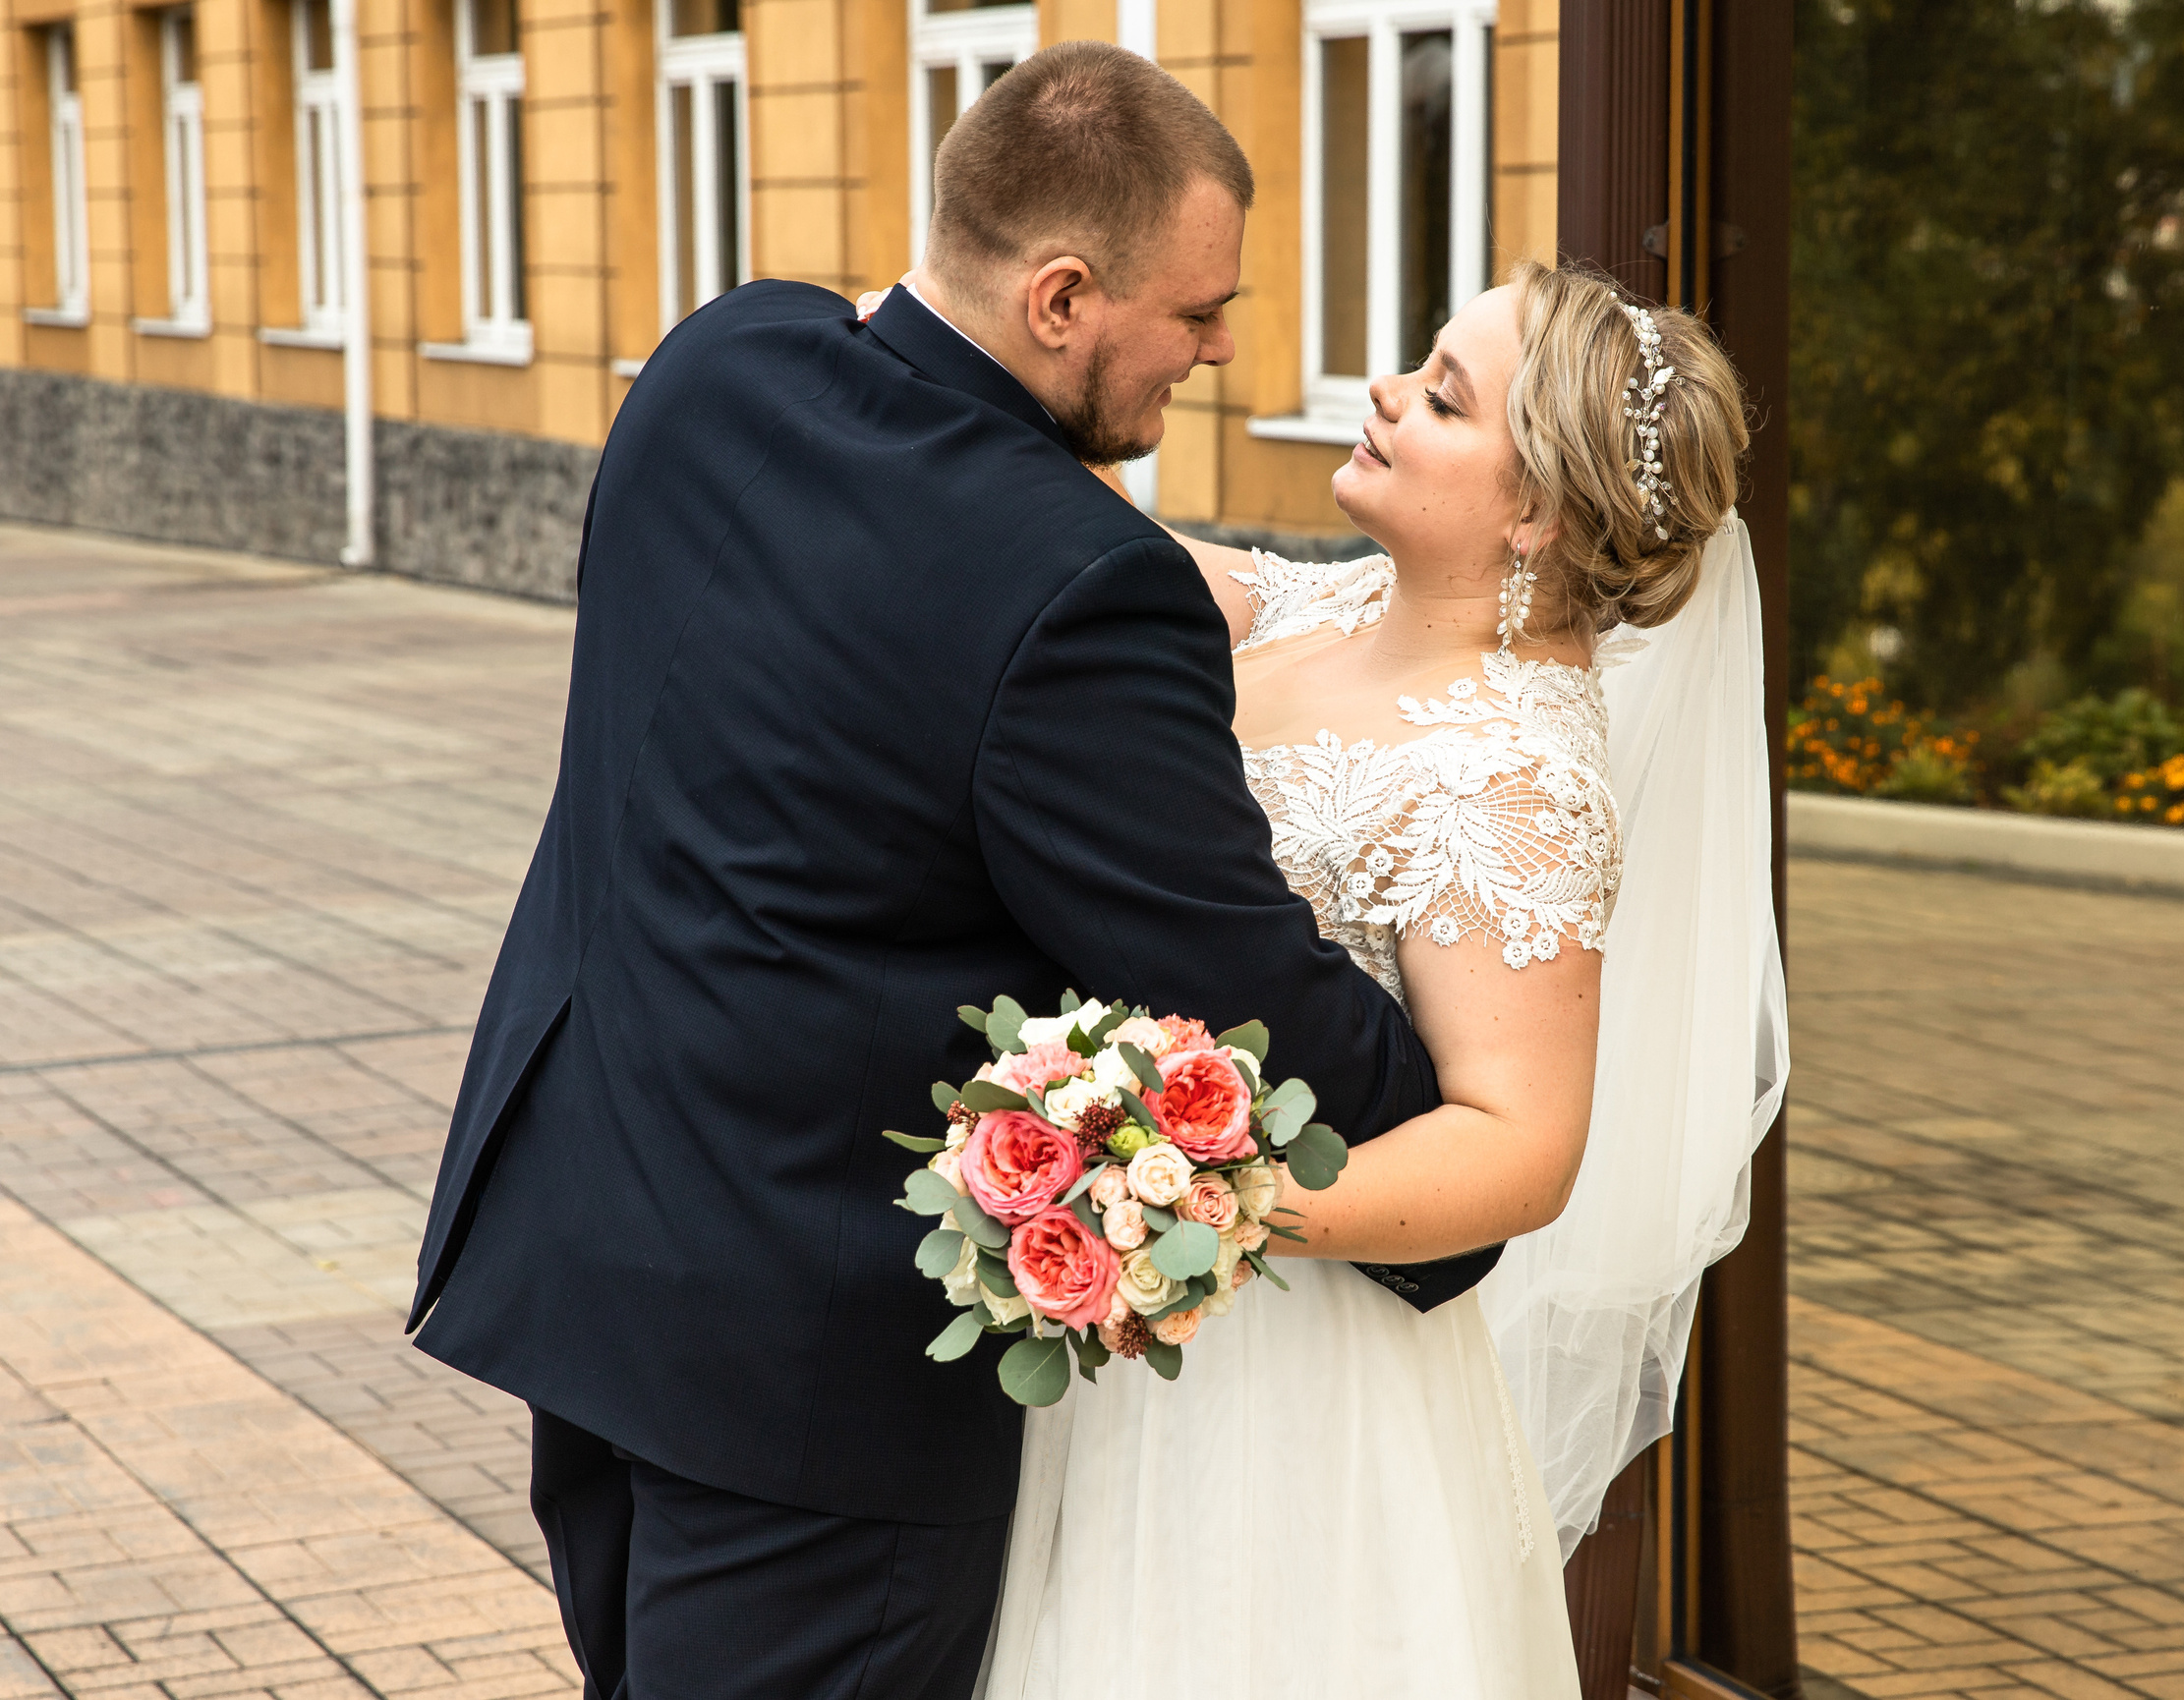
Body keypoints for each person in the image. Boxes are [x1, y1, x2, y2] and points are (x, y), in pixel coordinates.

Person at [404, 42, 1495, 1699]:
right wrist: (1456, 1184)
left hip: (583, 1256)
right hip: (808, 1382)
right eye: (1198, 310)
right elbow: (1234, 976)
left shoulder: (717, 357)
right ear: (1060, 297)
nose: (1220, 347)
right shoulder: (1082, 586)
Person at [972, 263, 1786, 1695]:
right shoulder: (1327, 604)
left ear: (1535, 512)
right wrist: (949, 346)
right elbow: (1088, 534)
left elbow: (1521, 1148)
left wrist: (1184, 1207)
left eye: (1444, 397)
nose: (1387, 392)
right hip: (1135, 1319)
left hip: (1297, 1376)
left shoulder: (1518, 779)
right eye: (1421, 363)